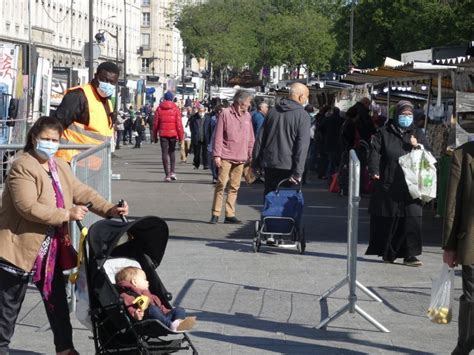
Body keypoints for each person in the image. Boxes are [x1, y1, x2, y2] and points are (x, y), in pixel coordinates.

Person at [0, 116, 129, 355]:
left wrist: (110, 209)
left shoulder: (59, 165)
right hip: (20, 247)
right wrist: (67, 213)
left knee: (57, 303)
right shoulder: (22, 165)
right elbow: (27, 207)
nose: (50, 143)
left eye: (55, 140)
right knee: (8, 306)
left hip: (50, 250)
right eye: (46, 139)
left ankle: (65, 348)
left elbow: (83, 192)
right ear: (34, 138)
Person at [365, 100, 430, 266]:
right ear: (396, 115)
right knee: (390, 218)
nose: (406, 117)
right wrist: (374, 171)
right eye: (403, 114)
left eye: (409, 114)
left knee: (412, 219)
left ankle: (410, 254)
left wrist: (418, 146)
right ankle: (389, 252)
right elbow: (375, 153)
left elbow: (429, 154)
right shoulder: (384, 132)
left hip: (412, 184)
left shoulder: (418, 133)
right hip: (389, 181)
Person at [442, 141, 474, 355]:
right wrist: (449, 245)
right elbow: (452, 203)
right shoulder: (463, 154)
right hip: (472, 242)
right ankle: (463, 347)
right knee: (472, 300)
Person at [252, 83, 311, 196]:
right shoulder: (302, 115)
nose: (306, 100)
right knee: (286, 201)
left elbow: (260, 138)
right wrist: (298, 171)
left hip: (270, 163)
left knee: (270, 197)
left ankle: (269, 213)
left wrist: (255, 163)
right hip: (289, 165)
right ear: (301, 96)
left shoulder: (273, 112)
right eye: (306, 97)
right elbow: (302, 146)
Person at [54, 61, 120, 163]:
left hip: (92, 165)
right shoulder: (79, 95)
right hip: (69, 162)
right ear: (96, 76)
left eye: (112, 82)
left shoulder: (108, 102)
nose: (108, 85)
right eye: (105, 80)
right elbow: (54, 125)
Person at [210, 90, 254, 224]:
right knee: (221, 184)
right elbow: (218, 136)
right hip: (226, 155)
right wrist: (217, 155)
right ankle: (215, 213)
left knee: (235, 186)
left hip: (241, 157)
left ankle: (230, 214)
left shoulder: (247, 116)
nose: (250, 104)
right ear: (241, 102)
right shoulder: (225, 114)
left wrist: (251, 154)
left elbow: (251, 137)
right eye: (249, 102)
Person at [115, 266, 196, 332]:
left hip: (162, 318)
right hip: (146, 320)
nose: (148, 282)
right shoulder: (127, 295)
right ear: (134, 282)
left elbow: (160, 307)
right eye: (144, 279)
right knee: (152, 309)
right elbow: (129, 307)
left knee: (179, 309)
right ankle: (171, 325)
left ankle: (179, 323)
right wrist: (135, 314)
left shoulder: (149, 294)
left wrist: (168, 312)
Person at [153, 91, 184, 181]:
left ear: (164, 98)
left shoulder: (159, 109)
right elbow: (179, 124)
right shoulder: (176, 109)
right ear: (172, 99)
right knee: (172, 152)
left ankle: (167, 174)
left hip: (163, 134)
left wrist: (154, 136)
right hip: (173, 134)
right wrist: (181, 136)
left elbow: (155, 124)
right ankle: (172, 172)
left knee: (164, 153)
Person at [189, 105, 209, 170]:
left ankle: (205, 164)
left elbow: (209, 128)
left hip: (205, 137)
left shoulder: (208, 118)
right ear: (198, 111)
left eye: (202, 111)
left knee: (205, 152)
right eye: (200, 111)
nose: (201, 112)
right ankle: (196, 164)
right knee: (196, 153)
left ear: (205, 111)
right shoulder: (194, 117)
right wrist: (194, 134)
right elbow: (191, 127)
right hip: (197, 137)